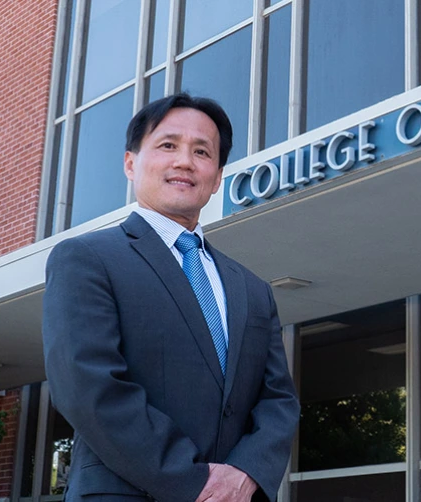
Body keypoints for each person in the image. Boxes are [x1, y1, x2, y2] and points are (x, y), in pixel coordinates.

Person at [42, 93, 300, 502]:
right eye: (168, 145)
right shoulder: (87, 259)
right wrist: (194, 480)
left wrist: (245, 473)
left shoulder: (253, 289)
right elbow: (88, 388)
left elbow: (278, 401)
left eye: (202, 151)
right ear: (131, 163)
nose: (184, 161)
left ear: (217, 178)